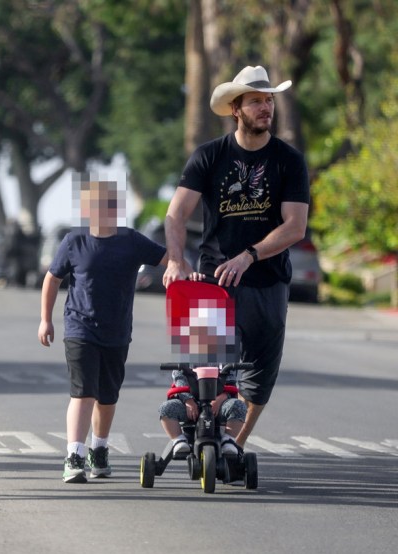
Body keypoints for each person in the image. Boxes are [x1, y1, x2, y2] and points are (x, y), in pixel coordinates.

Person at [163, 65, 310, 448]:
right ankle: (204, 438)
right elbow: (176, 213)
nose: (266, 108)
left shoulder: (289, 161)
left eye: (269, 100)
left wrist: (249, 256)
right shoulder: (210, 156)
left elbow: (295, 226)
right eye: (257, 101)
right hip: (214, 283)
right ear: (236, 109)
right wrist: (177, 260)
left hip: (268, 282)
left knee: (260, 378)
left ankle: (234, 445)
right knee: (208, 369)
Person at [38, 174, 168, 483]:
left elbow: (168, 259)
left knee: (108, 397)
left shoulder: (132, 241)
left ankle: (99, 449)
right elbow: (52, 278)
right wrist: (46, 319)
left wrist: (188, 274)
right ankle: (74, 456)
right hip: (79, 327)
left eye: (110, 204)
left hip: (117, 331)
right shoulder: (74, 241)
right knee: (84, 392)